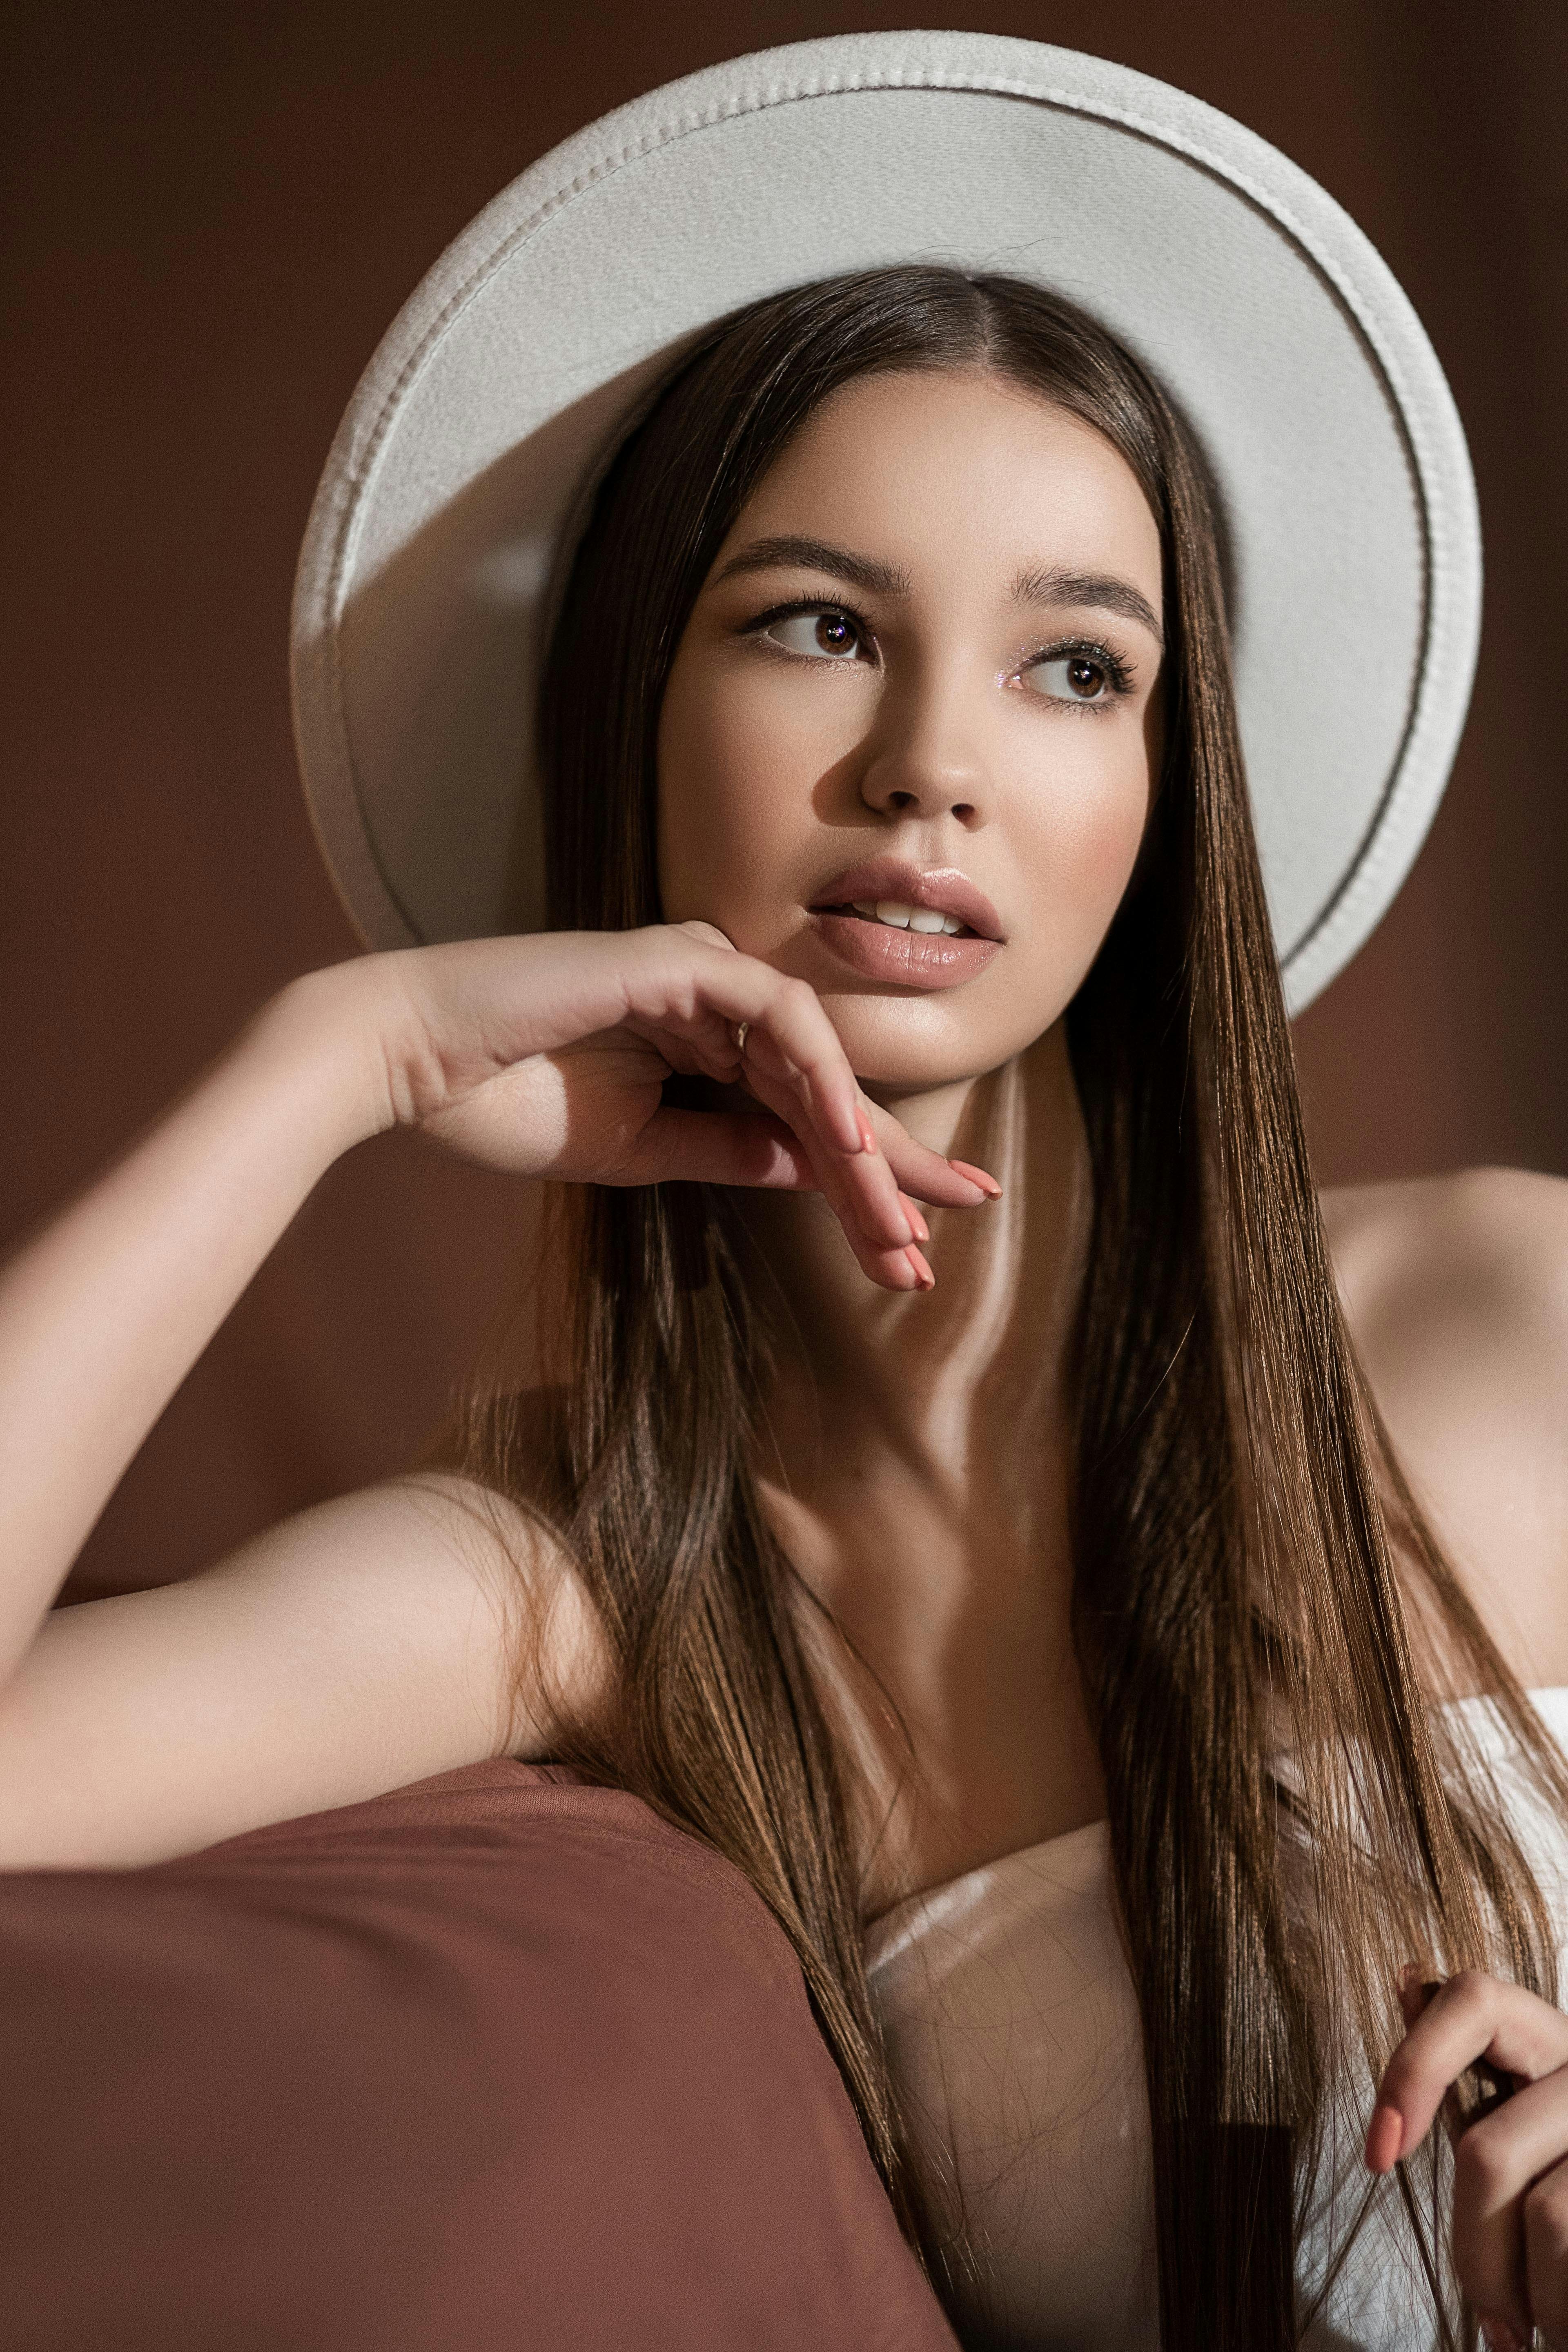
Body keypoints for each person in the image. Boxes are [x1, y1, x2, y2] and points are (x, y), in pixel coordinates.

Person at [3, 33, 1566, 2352]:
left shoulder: (1514, 1311)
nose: (932, 764)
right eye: (818, 625)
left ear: (1164, 793)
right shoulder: (584, 1589)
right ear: (636, 705)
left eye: (1075, 667)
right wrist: (338, 1052)